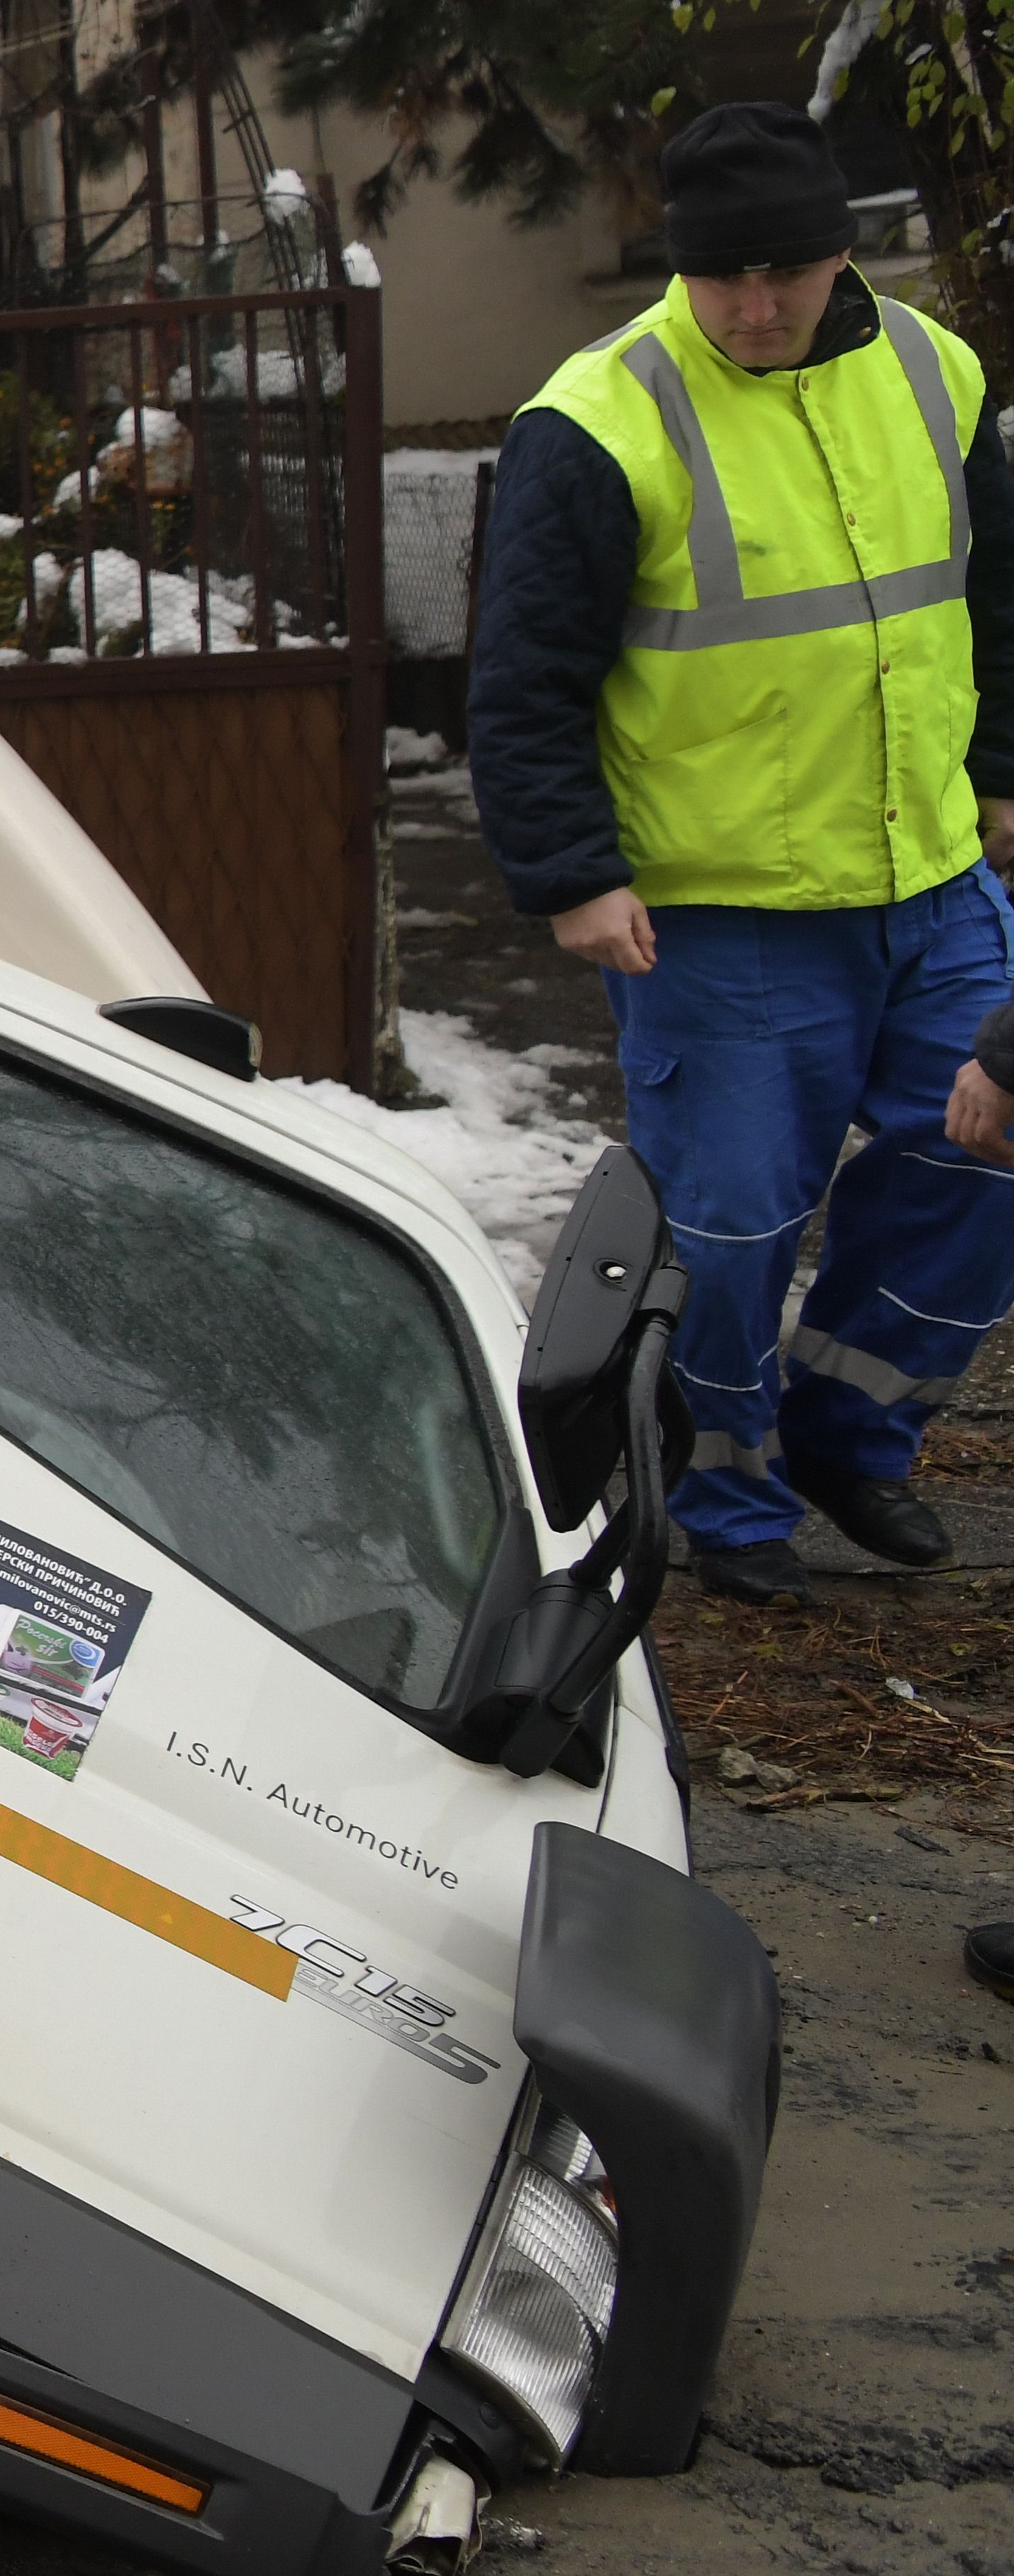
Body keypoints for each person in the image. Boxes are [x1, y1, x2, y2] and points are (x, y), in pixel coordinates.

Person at [471, 100, 1008, 1604]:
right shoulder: (600, 418)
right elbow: (522, 678)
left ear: (848, 252)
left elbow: (999, 586)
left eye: (792, 271)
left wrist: (1004, 773)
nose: (761, 306)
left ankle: (855, 1430)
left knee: (984, 1158)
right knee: (730, 1221)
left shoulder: (930, 369)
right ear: (680, 268)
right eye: (727, 279)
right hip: (721, 915)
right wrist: (571, 869)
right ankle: (730, 1502)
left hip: (931, 875)